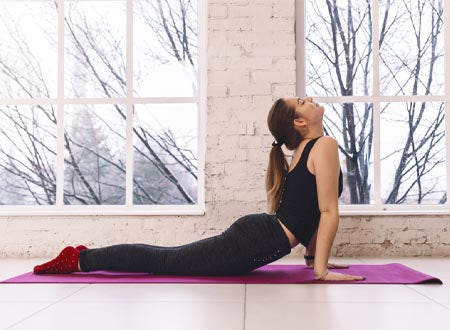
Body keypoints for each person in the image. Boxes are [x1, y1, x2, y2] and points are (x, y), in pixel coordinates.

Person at [33, 96, 365, 281]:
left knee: (167, 259)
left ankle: (82, 257)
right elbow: (325, 211)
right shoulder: (323, 145)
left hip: (259, 235)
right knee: (164, 262)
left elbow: (312, 211)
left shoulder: (314, 147)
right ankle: (80, 260)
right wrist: (320, 271)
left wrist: (312, 259)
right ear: (300, 122)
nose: (310, 99)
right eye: (303, 101)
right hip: (254, 239)